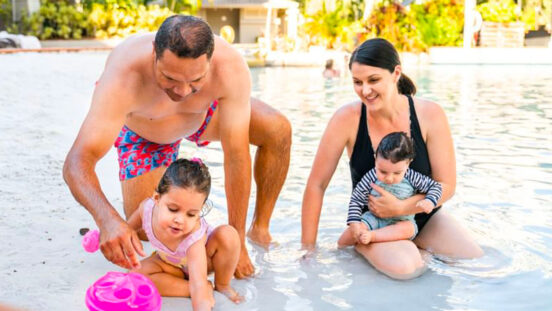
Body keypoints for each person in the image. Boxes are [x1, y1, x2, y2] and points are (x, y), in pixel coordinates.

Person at [63, 15, 291, 278]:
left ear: (210, 59)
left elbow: (236, 156)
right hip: (144, 132)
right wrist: (107, 220)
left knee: (277, 129)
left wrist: (236, 239)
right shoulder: (125, 75)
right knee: (142, 232)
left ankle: (259, 228)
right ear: (154, 55)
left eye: (196, 80)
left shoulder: (229, 67)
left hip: (202, 115)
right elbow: (77, 161)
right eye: (169, 78)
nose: (182, 91)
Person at [301, 38, 483, 279]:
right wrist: (308, 251)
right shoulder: (346, 119)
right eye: (357, 82)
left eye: (373, 80)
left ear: (396, 73)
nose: (365, 90)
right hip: (374, 225)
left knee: (477, 263)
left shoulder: (430, 115)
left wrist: (401, 207)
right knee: (407, 269)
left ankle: (416, 246)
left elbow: (446, 185)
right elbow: (317, 185)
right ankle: (367, 245)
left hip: (422, 218)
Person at [128, 158, 242, 310]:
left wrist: (200, 295)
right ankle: (189, 288)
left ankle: (222, 285)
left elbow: (198, 281)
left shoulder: (193, 236)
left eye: (191, 214)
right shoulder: (146, 210)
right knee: (134, 277)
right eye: (173, 209)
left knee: (228, 234)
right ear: (157, 198)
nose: (180, 220)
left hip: (204, 262)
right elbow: (125, 231)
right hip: (169, 263)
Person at [337, 132, 442, 248]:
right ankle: (342, 255)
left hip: (401, 221)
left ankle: (373, 236)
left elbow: (435, 187)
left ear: (408, 163)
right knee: (345, 238)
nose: (389, 178)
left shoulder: (412, 176)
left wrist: (430, 201)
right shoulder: (371, 176)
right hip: (374, 219)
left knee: (408, 228)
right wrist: (354, 223)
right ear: (375, 158)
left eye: (397, 173)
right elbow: (356, 199)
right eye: (382, 171)